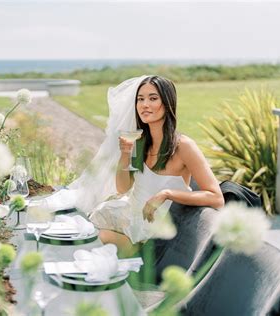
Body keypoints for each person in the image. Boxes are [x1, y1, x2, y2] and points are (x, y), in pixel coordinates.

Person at [87, 75, 225, 258]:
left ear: (167, 104)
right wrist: (126, 154)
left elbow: (216, 198)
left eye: (153, 98)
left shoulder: (184, 146)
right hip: (130, 219)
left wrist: (166, 194)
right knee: (83, 232)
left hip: (157, 233)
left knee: (94, 240)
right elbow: (123, 188)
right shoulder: (140, 141)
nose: (145, 105)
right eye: (140, 99)